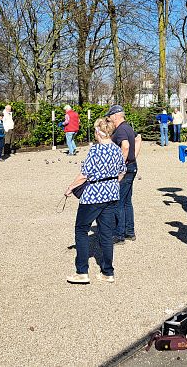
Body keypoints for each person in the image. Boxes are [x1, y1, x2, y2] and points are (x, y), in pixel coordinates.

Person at [63, 118, 125, 284]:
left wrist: (70, 187)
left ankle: (82, 272)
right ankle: (108, 272)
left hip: (93, 196)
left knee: (81, 230)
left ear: (98, 133)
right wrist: (111, 184)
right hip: (111, 195)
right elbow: (122, 172)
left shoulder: (96, 150)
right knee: (106, 234)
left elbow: (84, 174)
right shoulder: (117, 149)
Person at [106, 105, 142, 244]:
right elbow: (138, 139)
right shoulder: (127, 127)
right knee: (127, 201)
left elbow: (125, 146)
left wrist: (120, 166)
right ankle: (129, 232)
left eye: (110, 116)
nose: (109, 119)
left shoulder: (121, 129)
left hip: (126, 170)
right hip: (131, 167)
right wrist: (133, 158)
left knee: (118, 202)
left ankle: (119, 235)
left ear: (116, 116)